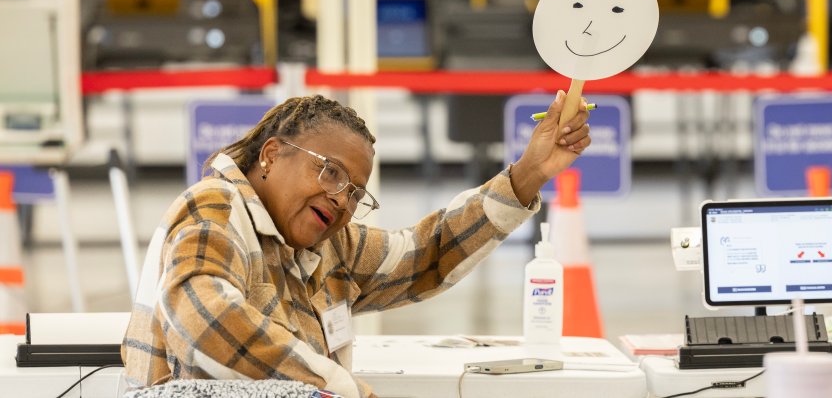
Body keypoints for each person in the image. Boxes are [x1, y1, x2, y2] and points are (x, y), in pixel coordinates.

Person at [122, 92, 591, 397]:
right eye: (329, 171)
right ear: (270, 155)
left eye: (354, 192)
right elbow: (206, 320)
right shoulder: (215, 208)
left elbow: (426, 254)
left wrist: (530, 172)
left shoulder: (330, 247)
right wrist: (337, 385)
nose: (340, 198)